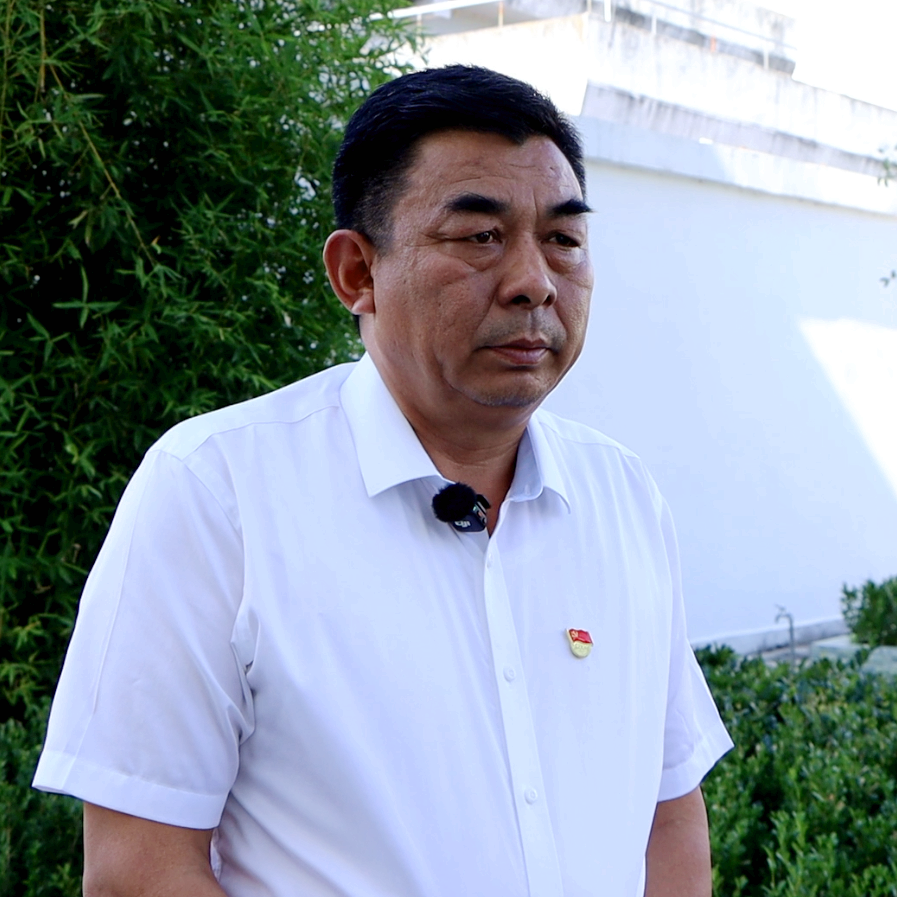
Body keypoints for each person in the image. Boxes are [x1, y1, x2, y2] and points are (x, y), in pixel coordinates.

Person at [34, 65, 732, 897]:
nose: (534, 281)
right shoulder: (218, 493)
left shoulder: (623, 497)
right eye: (479, 236)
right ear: (356, 273)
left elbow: (667, 814)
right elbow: (137, 871)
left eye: (563, 239)